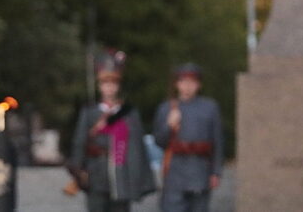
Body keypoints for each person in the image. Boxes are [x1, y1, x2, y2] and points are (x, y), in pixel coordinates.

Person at [70, 50, 158, 212]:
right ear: (99, 86)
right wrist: (78, 169)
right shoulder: (89, 112)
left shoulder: (129, 113)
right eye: (105, 83)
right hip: (96, 173)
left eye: (113, 83)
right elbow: (80, 141)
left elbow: (137, 147)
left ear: (118, 86)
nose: (109, 87)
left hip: (122, 175)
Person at [153, 63, 224, 212]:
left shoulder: (210, 107)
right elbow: (159, 141)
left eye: (192, 82)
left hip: (200, 170)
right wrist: (169, 125)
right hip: (175, 172)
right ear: (177, 84)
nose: (188, 86)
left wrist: (216, 172)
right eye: (183, 82)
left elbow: (217, 141)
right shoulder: (166, 108)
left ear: (199, 84)